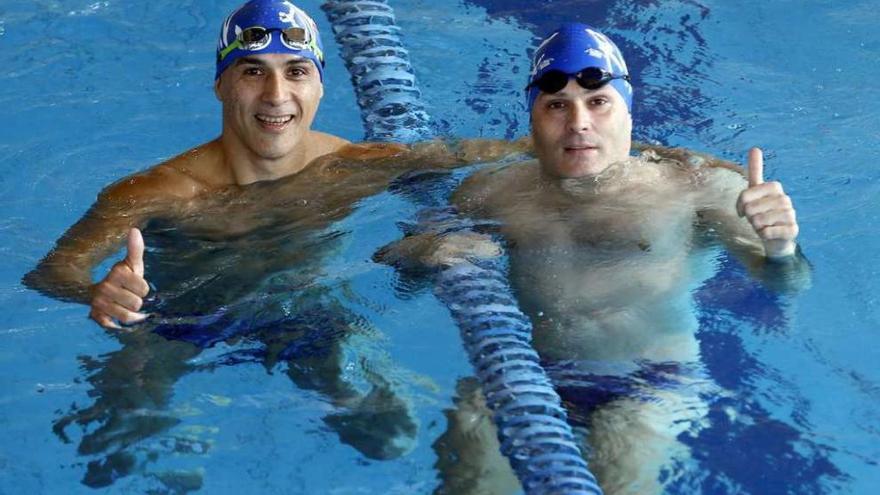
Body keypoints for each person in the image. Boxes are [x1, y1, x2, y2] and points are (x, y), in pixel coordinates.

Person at [21, 0, 525, 488]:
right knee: (119, 457)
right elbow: (51, 273)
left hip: (310, 316)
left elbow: (472, 154)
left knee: (391, 436)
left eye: (297, 72)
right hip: (174, 324)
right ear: (221, 85)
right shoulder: (157, 192)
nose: (276, 95)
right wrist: (96, 294)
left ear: (320, 88)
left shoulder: (354, 168)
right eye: (253, 71)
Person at [377, 23, 810, 495]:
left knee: (623, 461)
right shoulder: (492, 192)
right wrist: (427, 251)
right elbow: (399, 268)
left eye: (597, 102)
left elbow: (785, 286)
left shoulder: (698, 188)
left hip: (651, 385)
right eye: (556, 106)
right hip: (530, 375)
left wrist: (782, 249)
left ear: (628, 113)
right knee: (471, 464)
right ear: (533, 121)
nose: (578, 122)